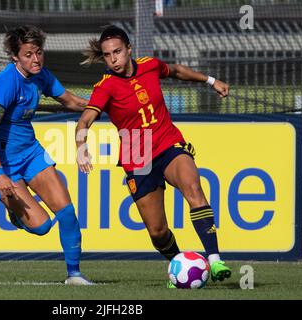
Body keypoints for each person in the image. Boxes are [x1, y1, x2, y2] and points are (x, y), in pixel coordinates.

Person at [75, 25, 231, 285]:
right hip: (138, 157)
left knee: (194, 188)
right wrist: (81, 148)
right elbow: (84, 122)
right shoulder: (105, 87)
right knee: (158, 232)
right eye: (107, 55)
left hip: (168, 143)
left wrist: (211, 81)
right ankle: (180, 265)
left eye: (117, 51)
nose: (113, 59)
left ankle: (215, 261)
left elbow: (177, 71)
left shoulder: (149, 65)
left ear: (129, 49)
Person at [0, 25, 92, 285]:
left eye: (38, 52)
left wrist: (104, 102)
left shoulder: (41, 76)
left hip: (30, 153)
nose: (35, 59)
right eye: (28, 54)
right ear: (15, 57)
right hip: (2, 163)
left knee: (67, 213)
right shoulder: (6, 82)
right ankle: (15, 213)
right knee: (41, 227)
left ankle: (74, 275)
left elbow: (71, 101)